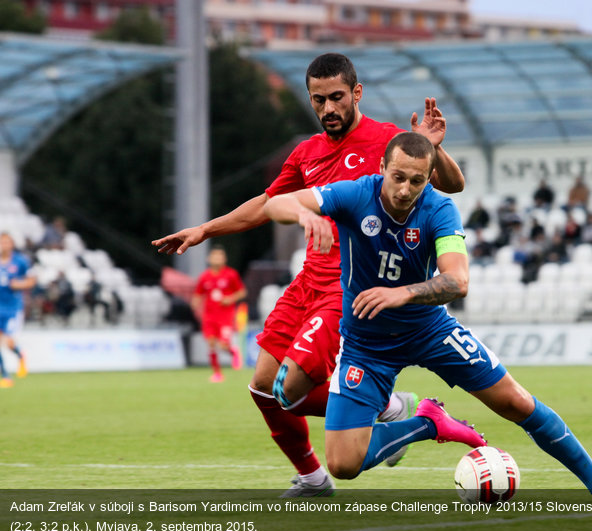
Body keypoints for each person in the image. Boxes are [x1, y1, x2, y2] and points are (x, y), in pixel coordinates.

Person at [264, 131, 592, 504]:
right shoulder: (354, 193)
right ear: (382, 167)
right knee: (344, 464)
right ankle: (427, 424)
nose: (404, 189)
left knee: (516, 403)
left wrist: (401, 294)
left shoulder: (438, 207)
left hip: (430, 331)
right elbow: (275, 203)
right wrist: (305, 216)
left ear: (428, 178)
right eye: (398, 177)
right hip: (367, 344)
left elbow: (458, 280)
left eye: (416, 181)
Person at [153, 53, 465, 496]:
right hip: (305, 283)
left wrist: (431, 146)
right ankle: (316, 477)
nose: (328, 109)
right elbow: (265, 205)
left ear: (356, 93)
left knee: (290, 387)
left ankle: (388, 407)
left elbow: (452, 186)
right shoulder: (307, 153)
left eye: (337, 97)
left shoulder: (389, 140)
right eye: (318, 100)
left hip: (345, 287)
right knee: (262, 385)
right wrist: (205, 229)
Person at [191, 246, 247, 383]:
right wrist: (195, 304)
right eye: (215, 256)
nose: (218, 259)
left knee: (222, 345)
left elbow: (242, 292)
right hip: (209, 316)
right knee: (210, 343)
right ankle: (217, 373)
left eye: (220, 256)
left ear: (224, 259)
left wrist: (230, 298)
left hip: (225, 316)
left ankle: (234, 352)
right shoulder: (205, 277)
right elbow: (198, 295)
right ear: (209, 259)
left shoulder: (231, 274)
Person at [0, 232, 36, 388]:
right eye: (2, 242)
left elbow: (32, 280)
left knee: (9, 343)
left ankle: (20, 354)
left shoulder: (20, 262)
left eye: (7, 242)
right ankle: (5, 376)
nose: (4, 245)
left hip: (12, 309)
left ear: (12, 244)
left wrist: (19, 285)